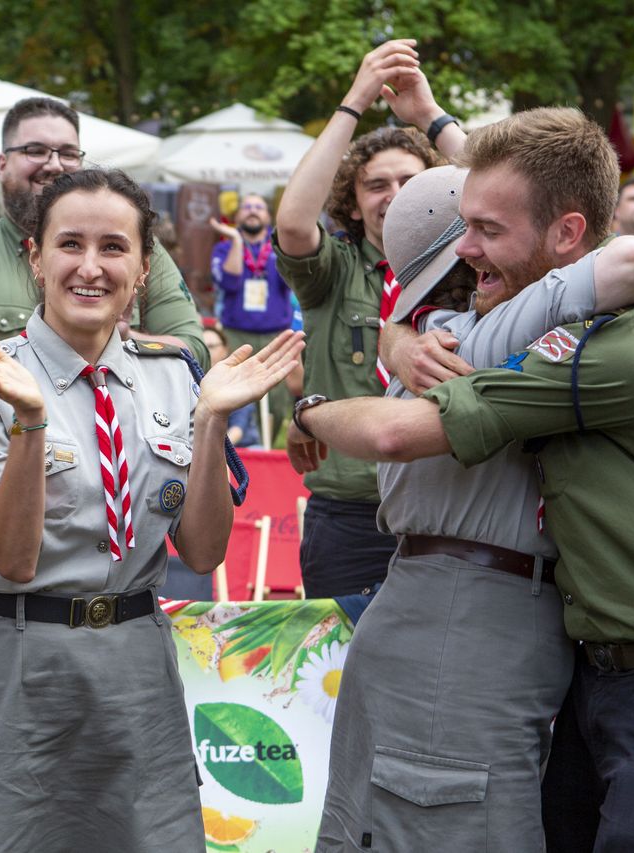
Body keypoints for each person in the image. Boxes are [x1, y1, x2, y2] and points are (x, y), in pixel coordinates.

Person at [293, 121, 634, 853]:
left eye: (486, 232)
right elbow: (574, 220)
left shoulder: (591, 342)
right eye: (465, 234)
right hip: (598, 661)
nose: (473, 248)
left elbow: (398, 430)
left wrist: (314, 405)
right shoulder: (480, 336)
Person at [0, 168, 302, 850]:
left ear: (142, 267)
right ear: (34, 258)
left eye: (114, 247)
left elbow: (203, 551)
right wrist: (31, 422)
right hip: (21, 661)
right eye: (69, 244)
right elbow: (11, 556)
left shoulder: (174, 372)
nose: (90, 267)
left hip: (137, 665)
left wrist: (212, 424)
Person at [0, 96, 206, 648]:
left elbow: (189, 350)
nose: (52, 163)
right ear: (2, 164)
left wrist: (102, 341)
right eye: (34, 150)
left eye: (67, 151)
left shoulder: (144, 252)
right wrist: (90, 340)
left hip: (116, 524)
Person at [273, 39, 457, 598]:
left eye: (409, 181)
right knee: (338, 676)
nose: (394, 195)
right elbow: (294, 222)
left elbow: (507, 193)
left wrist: (429, 116)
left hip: (443, 509)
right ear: (353, 204)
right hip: (349, 516)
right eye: (376, 185)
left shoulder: (469, 274)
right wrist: (354, 100)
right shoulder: (333, 270)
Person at [210, 194, 294, 433]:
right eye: (247, 207)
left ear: (268, 216)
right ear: (237, 216)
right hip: (236, 335)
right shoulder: (224, 248)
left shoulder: (280, 246)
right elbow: (230, 283)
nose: (252, 211)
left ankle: (263, 448)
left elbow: (291, 283)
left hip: (274, 335)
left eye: (258, 207)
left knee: (276, 402)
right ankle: (242, 445)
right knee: (236, 397)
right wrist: (237, 240)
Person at [205, 325, 262, 448]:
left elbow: (237, 430)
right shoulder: (191, 381)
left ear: (225, 349)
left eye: (211, 346)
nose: (207, 351)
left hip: (242, 447)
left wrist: (213, 450)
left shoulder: (237, 379)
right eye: (203, 347)